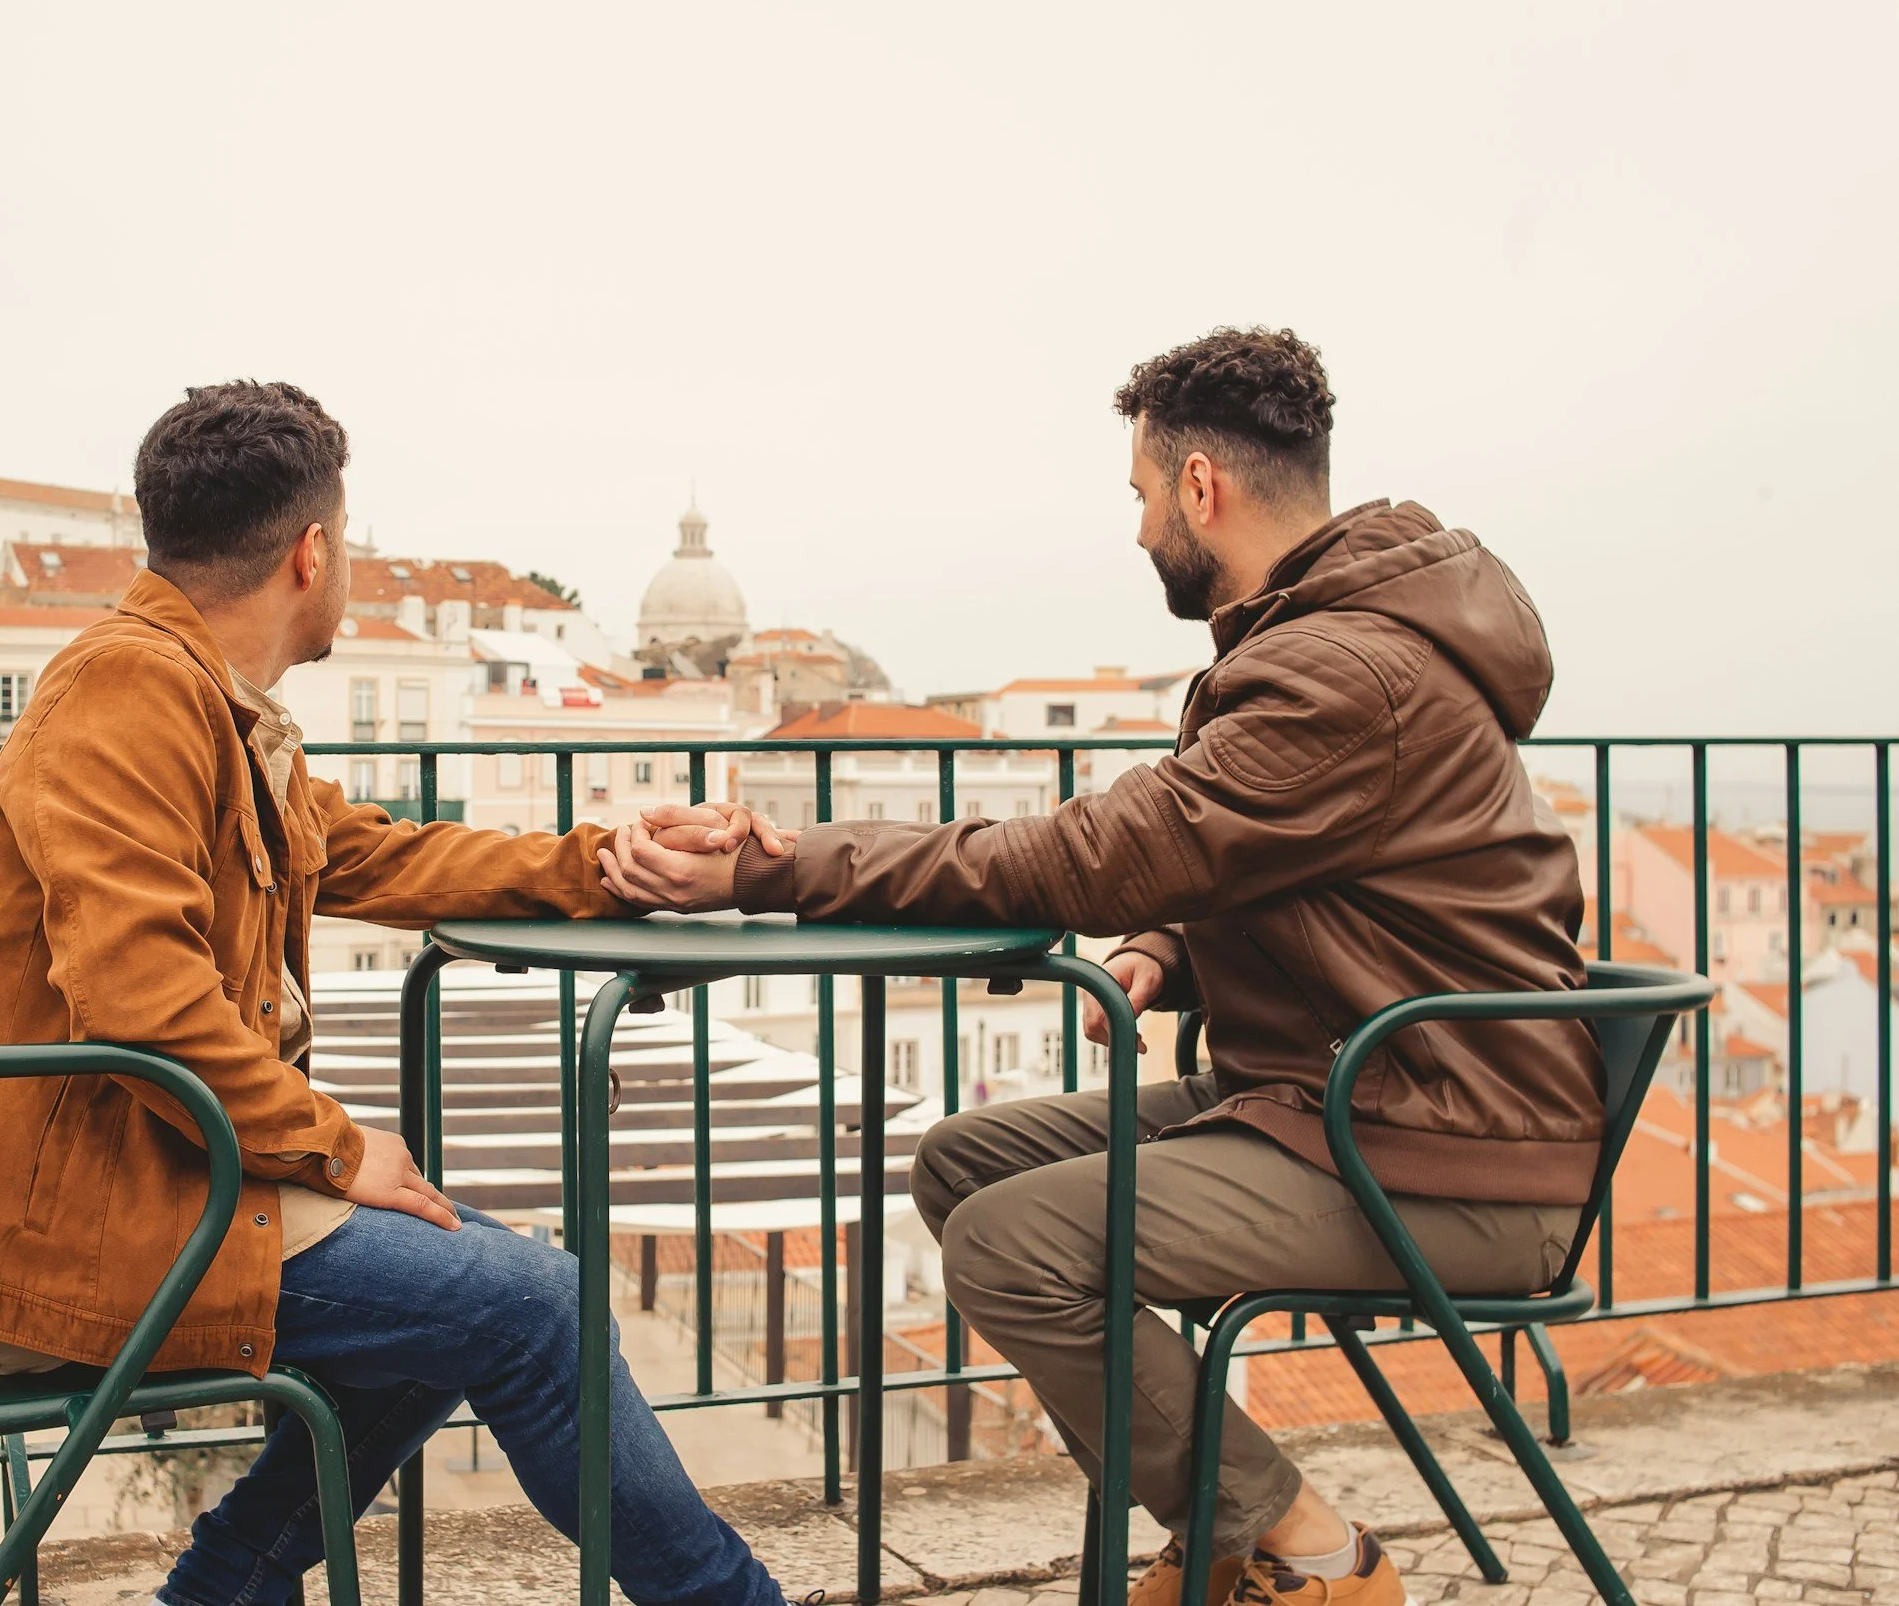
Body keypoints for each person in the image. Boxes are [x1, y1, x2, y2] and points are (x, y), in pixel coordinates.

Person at [599, 328, 1599, 1606]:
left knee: (1016, 1248)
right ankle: (1224, 1524)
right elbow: (1304, 859)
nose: (1135, 532)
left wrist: (770, 867)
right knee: (961, 1160)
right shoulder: (1342, 640)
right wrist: (1170, 944)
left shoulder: (1339, 668)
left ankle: (1299, 1549)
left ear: (1198, 485)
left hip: (1436, 1146)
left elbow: (1085, 853)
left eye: (1137, 496)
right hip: (1360, 1094)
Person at [0, 381, 799, 1606]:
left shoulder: (205, 704)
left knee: (462, 1276)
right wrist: (327, 1145)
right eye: (352, 547)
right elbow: (139, 993)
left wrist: (608, 861)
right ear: (312, 551)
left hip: (138, 1197)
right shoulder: (129, 692)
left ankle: (227, 1586)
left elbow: (384, 853)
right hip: (70, 1244)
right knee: (532, 1304)